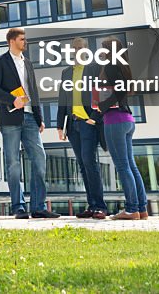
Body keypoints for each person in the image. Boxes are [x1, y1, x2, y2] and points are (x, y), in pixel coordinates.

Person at [0, 28, 59, 219]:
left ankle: (38, 206)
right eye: (22, 39)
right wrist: (12, 99)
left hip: (30, 119)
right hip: (10, 118)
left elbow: (33, 91)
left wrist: (39, 117)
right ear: (12, 41)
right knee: (13, 163)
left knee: (39, 159)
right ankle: (18, 207)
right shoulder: (0, 62)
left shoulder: (28, 63)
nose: (25, 42)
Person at [56, 37, 109, 219]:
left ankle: (100, 206)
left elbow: (102, 94)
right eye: (75, 48)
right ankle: (92, 205)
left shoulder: (94, 68)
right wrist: (59, 125)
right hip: (72, 124)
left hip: (88, 123)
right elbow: (63, 99)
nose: (78, 51)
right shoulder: (66, 72)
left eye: (81, 48)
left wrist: (94, 118)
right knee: (82, 165)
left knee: (89, 163)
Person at [97, 38, 148, 220]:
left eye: (102, 49)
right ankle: (141, 209)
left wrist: (103, 105)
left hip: (115, 120)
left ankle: (131, 209)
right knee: (131, 166)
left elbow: (119, 91)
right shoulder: (122, 66)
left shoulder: (111, 66)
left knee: (123, 166)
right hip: (127, 119)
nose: (100, 52)